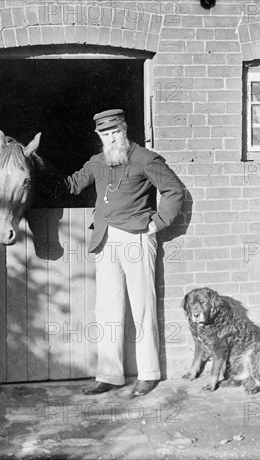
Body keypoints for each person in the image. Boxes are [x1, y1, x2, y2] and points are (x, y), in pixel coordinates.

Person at [65, 109, 184, 396]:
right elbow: (72, 185)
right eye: (105, 134)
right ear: (99, 137)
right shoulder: (97, 162)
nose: (111, 138)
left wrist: (157, 223)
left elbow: (174, 191)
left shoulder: (146, 159)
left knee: (142, 307)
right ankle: (109, 374)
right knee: (106, 309)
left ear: (125, 129)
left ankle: (148, 373)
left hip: (137, 238)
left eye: (115, 132)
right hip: (105, 239)